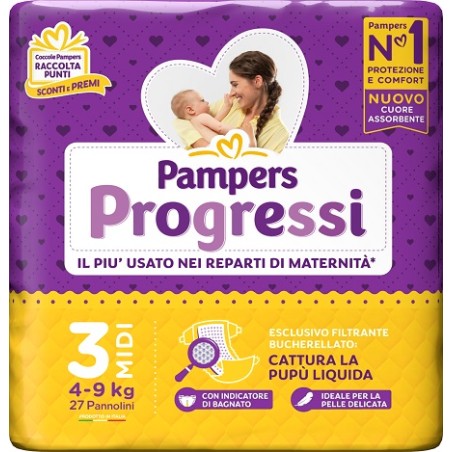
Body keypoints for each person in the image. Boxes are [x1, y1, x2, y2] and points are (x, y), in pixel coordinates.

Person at [173, 51, 289, 153]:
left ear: (257, 81)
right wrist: (202, 144)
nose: (231, 92)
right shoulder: (229, 104)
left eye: (235, 85)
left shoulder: (278, 134)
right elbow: (181, 120)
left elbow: (264, 168)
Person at [171, 90, 256, 145]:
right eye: (202, 100)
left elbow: (215, 121)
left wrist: (227, 106)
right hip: (220, 146)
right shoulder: (202, 117)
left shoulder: (194, 122)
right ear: (190, 110)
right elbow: (219, 127)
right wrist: (240, 131)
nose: (207, 102)